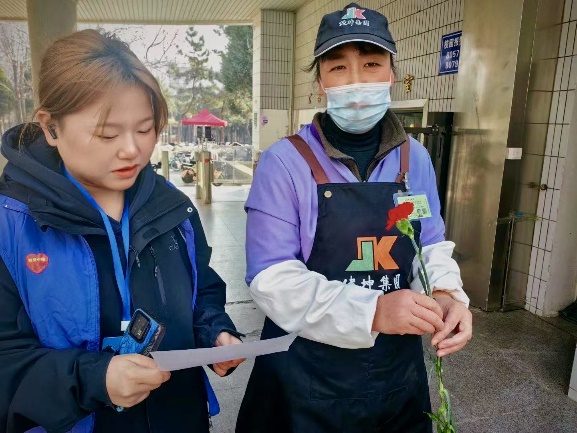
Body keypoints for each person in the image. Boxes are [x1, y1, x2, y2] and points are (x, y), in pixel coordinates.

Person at [236, 4, 472, 432]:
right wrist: (373, 311)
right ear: (320, 81)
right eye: (338, 67)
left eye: (371, 64)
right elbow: (271, 279)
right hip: (305, 379)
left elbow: (429, 243)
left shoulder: (415, 159)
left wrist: (444, 292)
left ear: (392, 74)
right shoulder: (284, 163)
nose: (356, 81)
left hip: (396, 377)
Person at [0, 29, 243, 433]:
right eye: (107, 134)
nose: (132, 149)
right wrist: (93, 379)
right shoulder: (12, 226)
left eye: (145, 129)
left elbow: (203, 290)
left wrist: (214, 331)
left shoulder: (173, 209)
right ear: (51, 127)